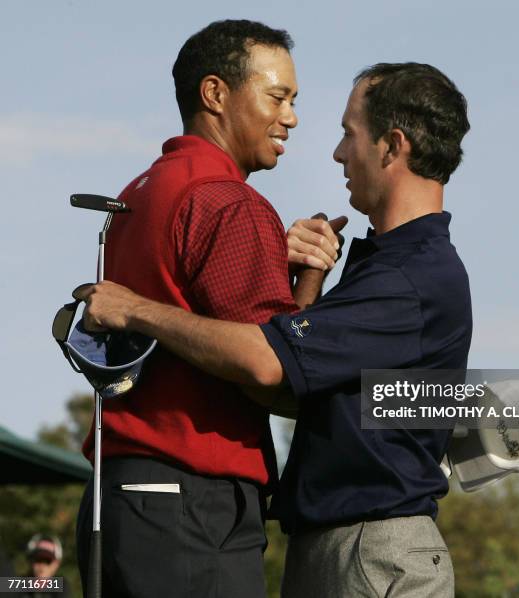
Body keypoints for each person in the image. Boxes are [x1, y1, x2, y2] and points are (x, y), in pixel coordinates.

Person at [76, 61, 471, 597]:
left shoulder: (411, 279)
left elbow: (265, 361)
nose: (336, 152)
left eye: (347, 134)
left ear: (391, 145)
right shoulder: (386, 269)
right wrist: (305, 280)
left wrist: (137, 309)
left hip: (375, 551)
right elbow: (292, 383)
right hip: (341, 547)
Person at [74, 19, 345, 598]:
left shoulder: (139, 191)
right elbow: (271, 373)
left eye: (293, 101)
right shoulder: (230, 202)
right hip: (190, 503)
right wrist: (313, 285)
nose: (291, 118)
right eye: (278, 97)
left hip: (116, 495)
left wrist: (288, 273)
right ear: (216, 93)